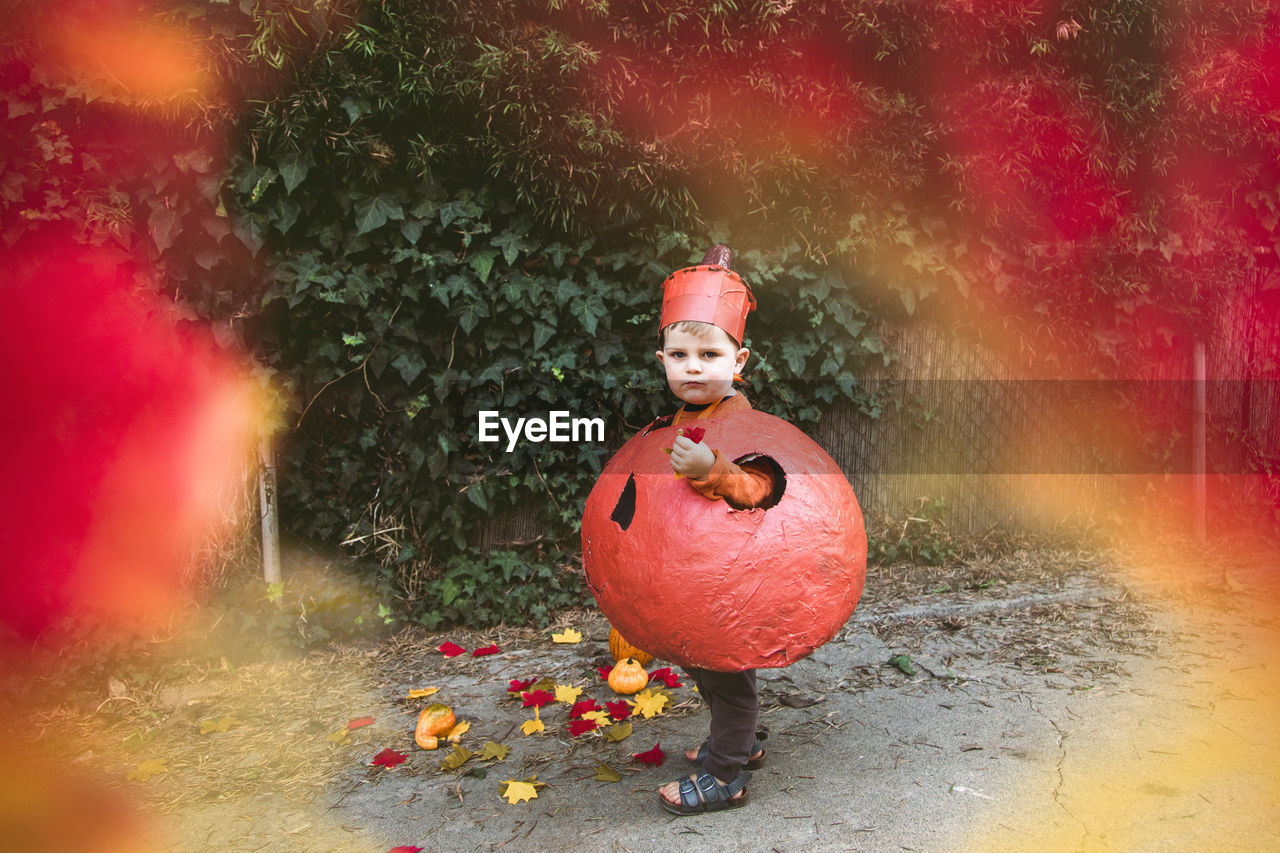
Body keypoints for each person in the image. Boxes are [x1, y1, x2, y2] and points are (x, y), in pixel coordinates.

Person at [647, 244, 776, 815]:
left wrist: (715, 472)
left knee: (727, 677)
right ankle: (739, 743)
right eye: (680, 354)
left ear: (739, 360)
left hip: (732, 577)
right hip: (698, 578)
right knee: (709, 666)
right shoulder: (682, 417)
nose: (693, 366)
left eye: (708, 353)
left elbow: (760, 488)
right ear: (663, 359)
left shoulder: (737, 417)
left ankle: (725, 775)